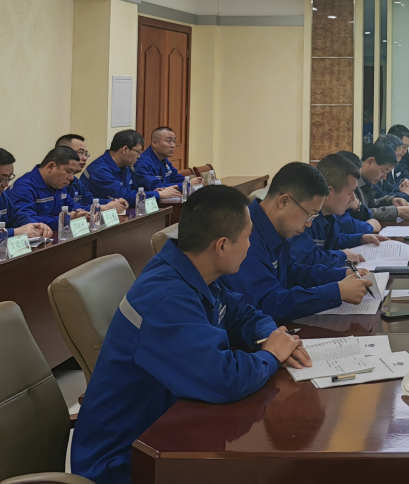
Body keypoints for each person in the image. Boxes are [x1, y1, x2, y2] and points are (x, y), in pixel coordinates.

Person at [70, 185, 312, 484]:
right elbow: (223, 379)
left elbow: (242, 313)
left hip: (172, 428)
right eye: (247, 238)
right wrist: (271, 354)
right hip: (127, 461)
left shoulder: (197, 271)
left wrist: (270, 335)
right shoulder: (166, 298)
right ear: (221, 246)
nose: (250, 246)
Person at [223, 161, 371, 322]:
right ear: (284, 202)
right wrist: (336, 292)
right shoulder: (246, 236)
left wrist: (342, 274)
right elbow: (266, 304)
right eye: (309, 215)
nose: (309, 224)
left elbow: (293, 274)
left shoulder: (276, 229)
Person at [307, 153, 387, 257]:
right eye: (350, 193)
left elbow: (335, 240)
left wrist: (360, 238)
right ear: (328, 192)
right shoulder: (306, 220)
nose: (353, 198)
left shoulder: (329, 216)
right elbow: (306, 260)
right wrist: (342, 256)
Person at [10, 146, 89, 228]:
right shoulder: (23, 187)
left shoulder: (58, 184)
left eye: (73, 173)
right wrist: (64, 219)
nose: (71, 177)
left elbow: (72, 206)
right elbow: (26, 221)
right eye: (69, 171)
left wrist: (86, 213)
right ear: (51, 166)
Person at [81, 129, 145, 210]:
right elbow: (125, 197)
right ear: (125, 149)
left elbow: (132, 190)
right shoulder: (99, 170)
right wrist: (158, 194)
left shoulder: (126, 166)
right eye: (138, 152)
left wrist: (153, 192)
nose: (139, 156)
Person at [133, 127, 195, 199]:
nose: (173, 145)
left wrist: (189, 182)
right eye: (169, 141)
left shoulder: (164, 159)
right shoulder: (142, 163)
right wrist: (185, 185)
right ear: (154, 143)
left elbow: (174, 177)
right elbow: (156, 187)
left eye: (174, 141)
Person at [55, 134, 93, 207]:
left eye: (86, 154)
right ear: (63, 152)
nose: (85, 158)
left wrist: (111, 203)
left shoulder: (75, 181)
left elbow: (90, 200)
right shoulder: (55, 182)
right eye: (80, 152)